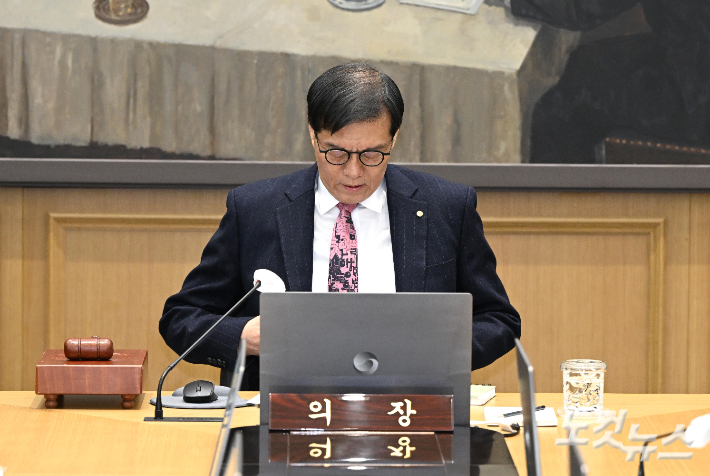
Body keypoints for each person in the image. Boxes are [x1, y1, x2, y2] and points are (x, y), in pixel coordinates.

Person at [159, 63, 521, 390]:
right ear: (313, 136)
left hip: (411, 410)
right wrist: (245, 335)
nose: (353, 172)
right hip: (286, 412)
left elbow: (498, 320)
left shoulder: (446, 207)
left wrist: (436, 349)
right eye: (336, 153)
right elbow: (181, 318)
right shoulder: (256, 209)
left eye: (372, 154)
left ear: (394, 139)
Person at [509, 0, 710, 163]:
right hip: (691, 59)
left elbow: (580, 9)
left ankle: (570, 199)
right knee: (582, 61)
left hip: (693, 97)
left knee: (556, 108)